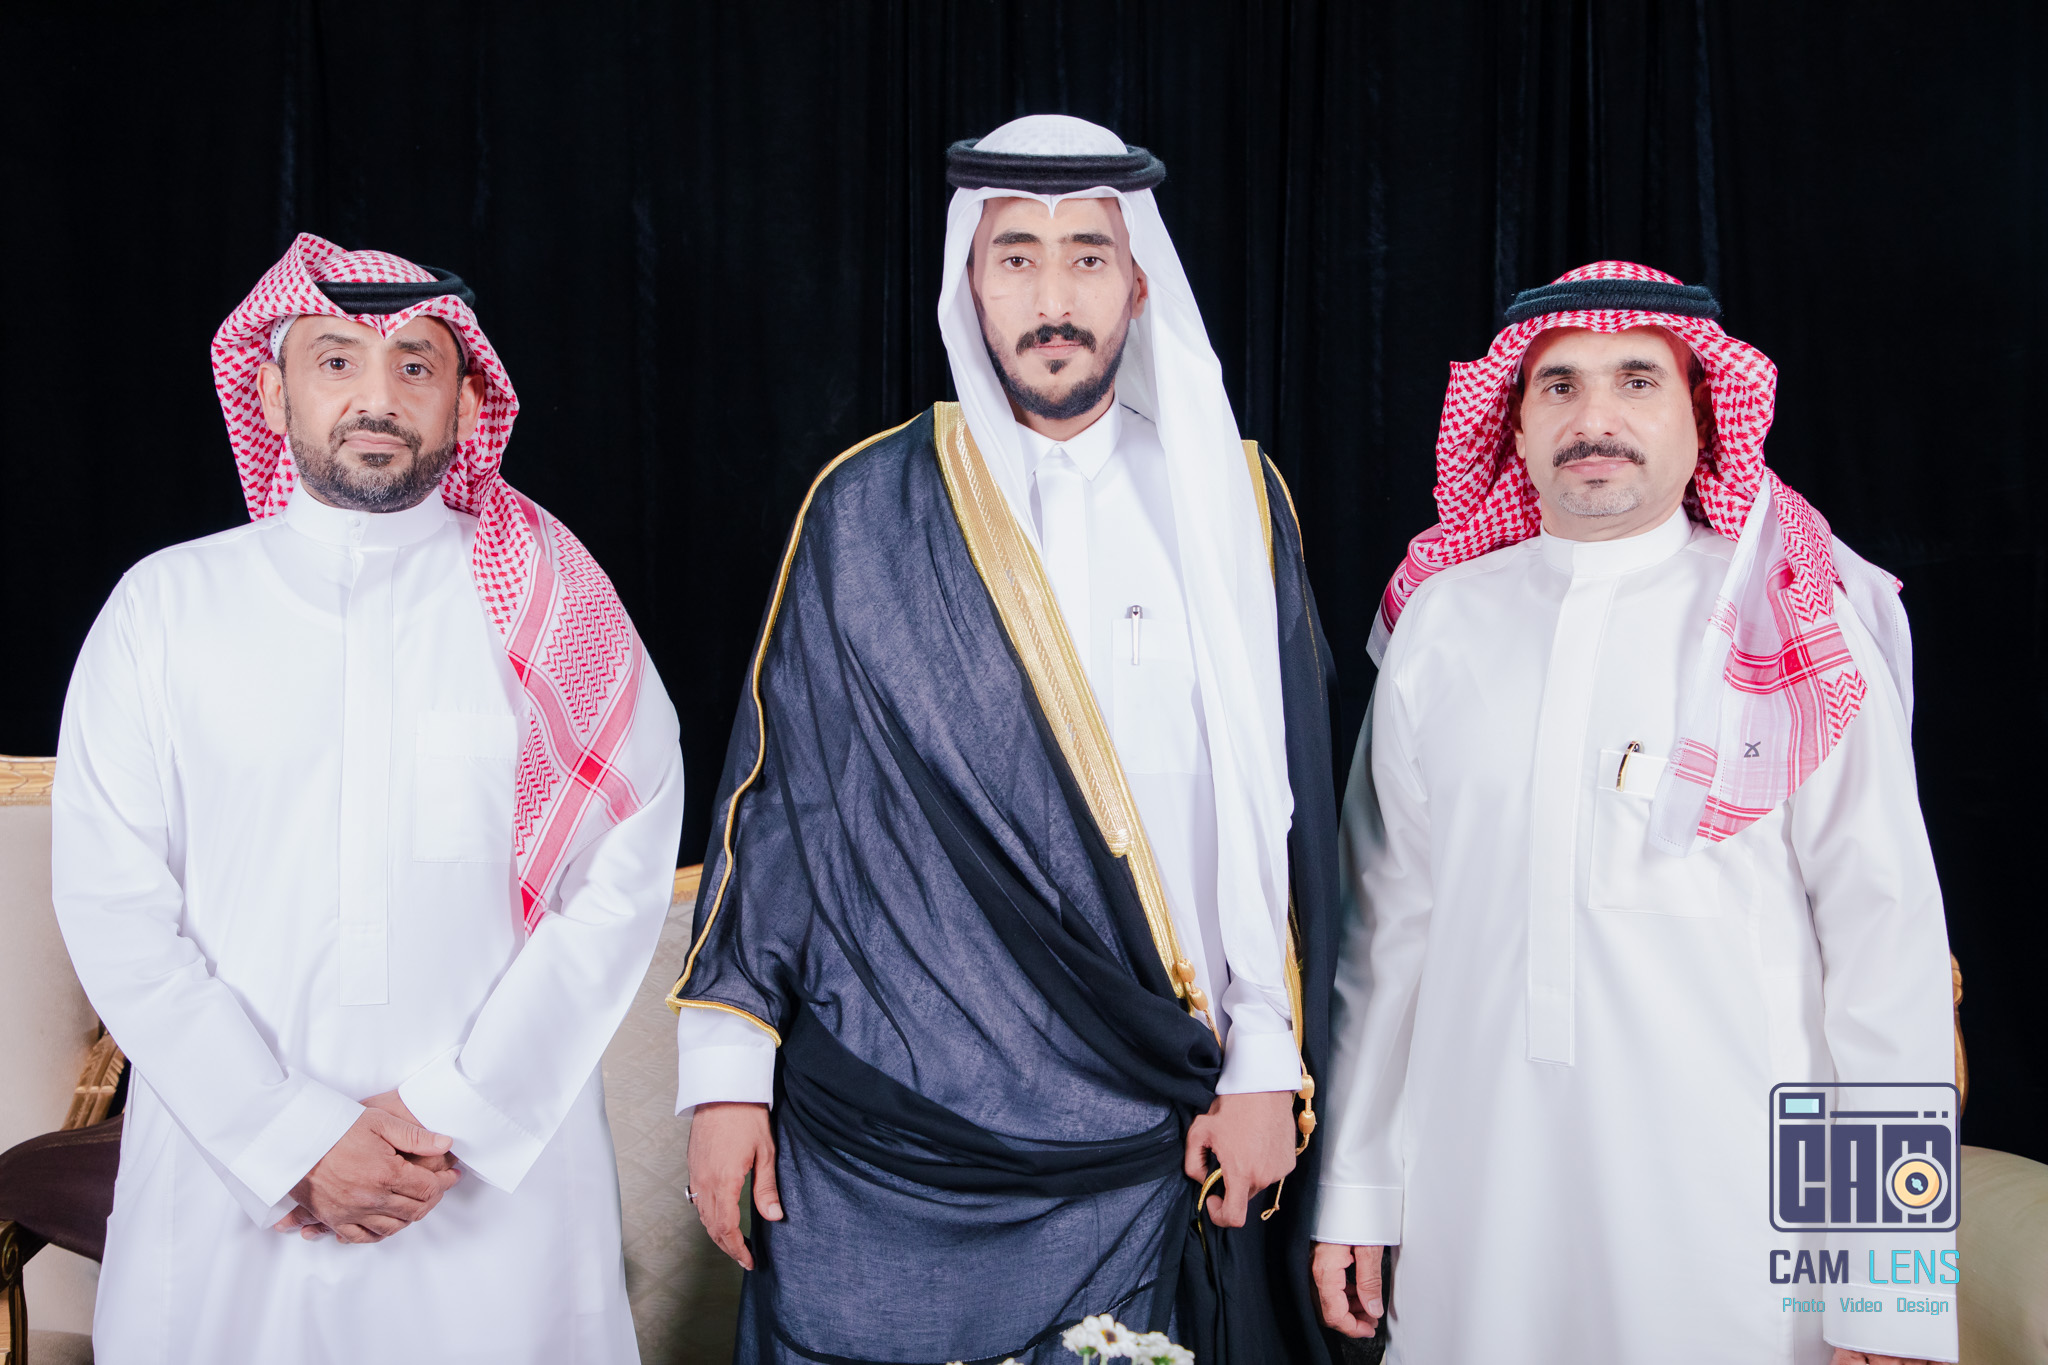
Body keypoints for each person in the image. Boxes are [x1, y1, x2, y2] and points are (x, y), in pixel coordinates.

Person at [669, 115, 1339, 1364]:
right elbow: (780, 807)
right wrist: (723, 1078)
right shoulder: (867, 507)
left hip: (1147, 1119)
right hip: (882, 1126)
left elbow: (1278, 811)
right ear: (965, 284)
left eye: (1087, 257)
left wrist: (1264, 1059)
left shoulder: (1229, 502)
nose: (1052, 298)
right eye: (1015, 258)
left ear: (1139, 284)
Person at [51, 234, 686, 1363]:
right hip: (231, 1181)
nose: (377, 397)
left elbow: (619, 880)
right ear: (271, 390)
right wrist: (287, 1135)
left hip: (486, 1188)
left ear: (466, 400)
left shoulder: (555, 611)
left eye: (416, 364)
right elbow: (115, 908)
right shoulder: (165, 609)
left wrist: (453, 1112)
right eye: (336, 360)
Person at [1311, 262, 1957, 1365]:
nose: (1593, 418)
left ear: (1703, 415)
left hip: (1740, 1229)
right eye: (1557, 385)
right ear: (1513, 426)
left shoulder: (1793, 621)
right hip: (1478, 1217)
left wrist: (1890, 1280)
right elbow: (1385, 936)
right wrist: (1358, 1189)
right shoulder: (1440, 625)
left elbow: (1884, 954)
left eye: (1635, 380)